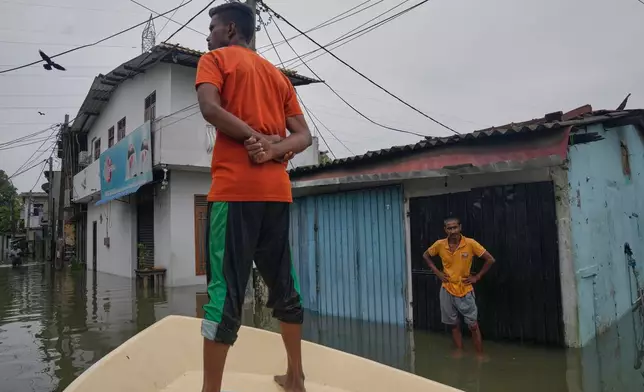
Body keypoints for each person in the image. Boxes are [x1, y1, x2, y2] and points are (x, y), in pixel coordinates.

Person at [195, 3, 312, 392]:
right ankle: (295, 378)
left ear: (230, 29)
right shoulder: (278, 77)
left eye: (212, 27)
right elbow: (303, 135)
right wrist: (274, 147)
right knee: (284, 284)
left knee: (224, 290)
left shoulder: (214, 59)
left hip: (233, 192)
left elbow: (210, 109)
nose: (208, 35)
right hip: (276, 195)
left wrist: (255, 139)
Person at [423, 217, 495, 357]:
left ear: (460, 227)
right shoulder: (439, 244)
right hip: (447, 289)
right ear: (445, 230)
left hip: (465, 290)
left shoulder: (470, 243)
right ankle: (460, 352)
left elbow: (490, 259)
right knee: (454, 324)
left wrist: (477, 276)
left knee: (473, 325)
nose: (453, 231)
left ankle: (479, 355)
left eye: (455, 227)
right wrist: (438, 273)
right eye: (449, 228)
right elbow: (426, 256)